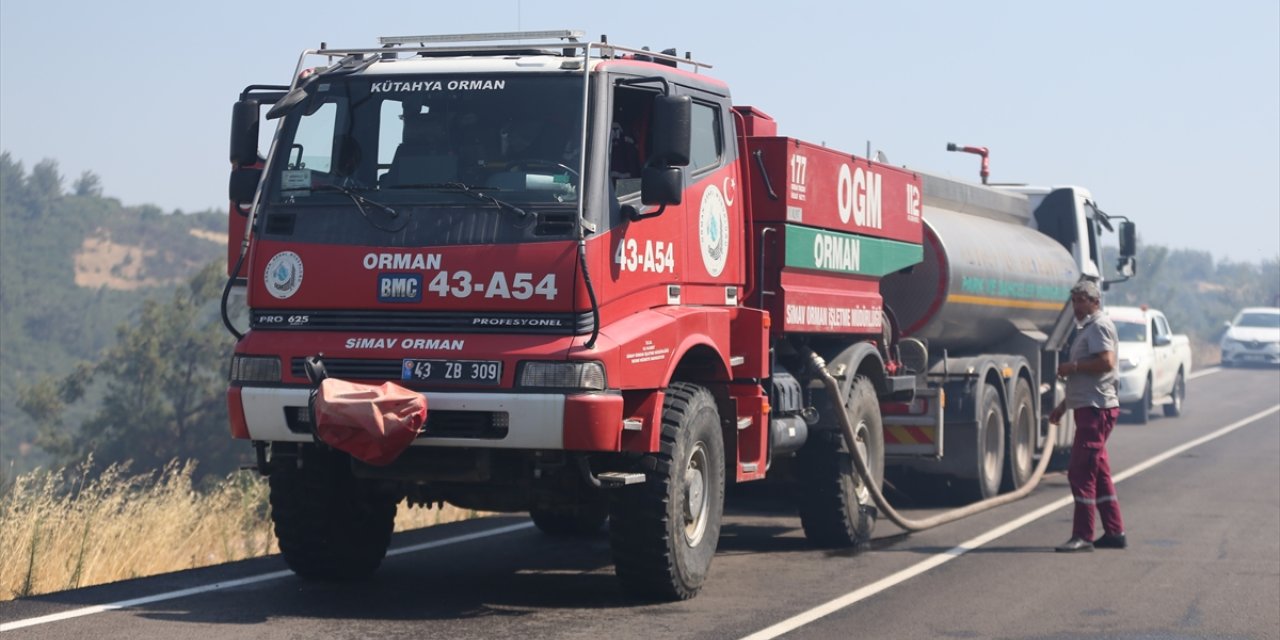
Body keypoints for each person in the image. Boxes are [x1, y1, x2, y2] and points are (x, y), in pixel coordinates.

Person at [1049, 279, 1127, 553]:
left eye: (1082, 300)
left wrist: (1074, 365)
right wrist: (1062, 407)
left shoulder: (1100, 326)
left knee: (1081, 473)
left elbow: (1107, 362)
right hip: (1088, 407)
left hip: (1096, 410)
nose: (1077, 306)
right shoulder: (1088, 328)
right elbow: (1083, 381)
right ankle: (1115, 532)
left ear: (1095, 302)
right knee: (1100, 472)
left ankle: (1083, 535)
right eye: (1074, 301)